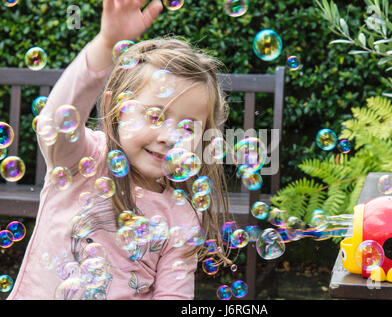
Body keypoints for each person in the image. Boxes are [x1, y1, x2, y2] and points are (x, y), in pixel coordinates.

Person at [8, 0, 232, 300]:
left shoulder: (181, 218)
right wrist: (105, 44)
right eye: (155, 115)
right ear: (118, 109)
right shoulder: (83, 161)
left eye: (188, 128)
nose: (169, 137)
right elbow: (58, 121)